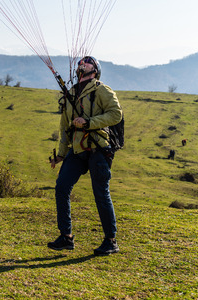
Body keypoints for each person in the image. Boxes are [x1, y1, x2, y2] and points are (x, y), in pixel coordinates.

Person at [48, 56, 123, 256]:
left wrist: (89, 122)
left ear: (95, 69)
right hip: (78, 150)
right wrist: (61, 155)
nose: (83, 63)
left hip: (99, 148)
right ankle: (66, 237)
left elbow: (116, 114)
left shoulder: (102, 90)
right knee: (62, 186)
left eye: (88, 62)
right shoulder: (70, 94)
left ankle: (111, 240)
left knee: (100, 193)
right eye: (81, 61)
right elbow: (65, 127)